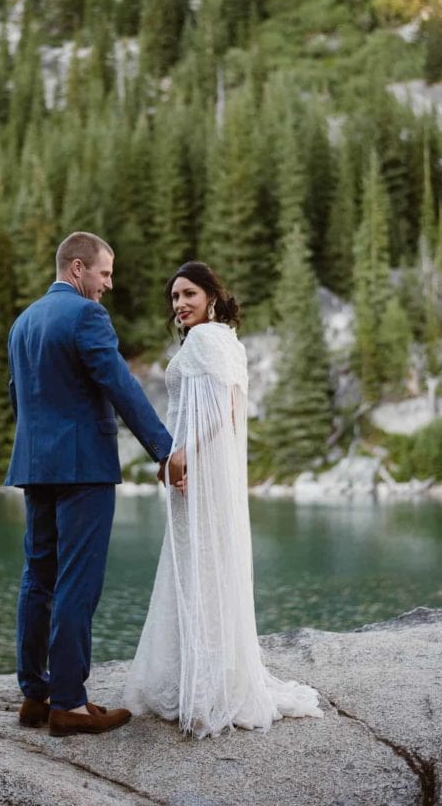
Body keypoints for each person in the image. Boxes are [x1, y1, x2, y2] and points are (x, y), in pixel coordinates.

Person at [124, 261, 323, 738]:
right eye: (174, 298)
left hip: (201, 468)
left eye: (188, 294)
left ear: (211, 296)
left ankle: (206, 689)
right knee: (203, 568)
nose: (179, 305)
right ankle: (203, 679)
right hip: (201, 468)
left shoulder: (208, 340)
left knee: (200, 568)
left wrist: (183, 455)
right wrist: (176, 456)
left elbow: (227, 411)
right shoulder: (222, 340)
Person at [5, 231, 181, 737]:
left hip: (36, 466)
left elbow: (19, 396)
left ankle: (34, 694)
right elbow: (120, 385)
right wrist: (165, 449)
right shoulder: (86, 316)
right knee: (77, 581)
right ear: (77, 268)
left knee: (38, 577)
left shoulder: (23, 321)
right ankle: (71, 704)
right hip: (83, 468)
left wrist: (39, 448)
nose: (108, 284)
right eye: (104, 273)